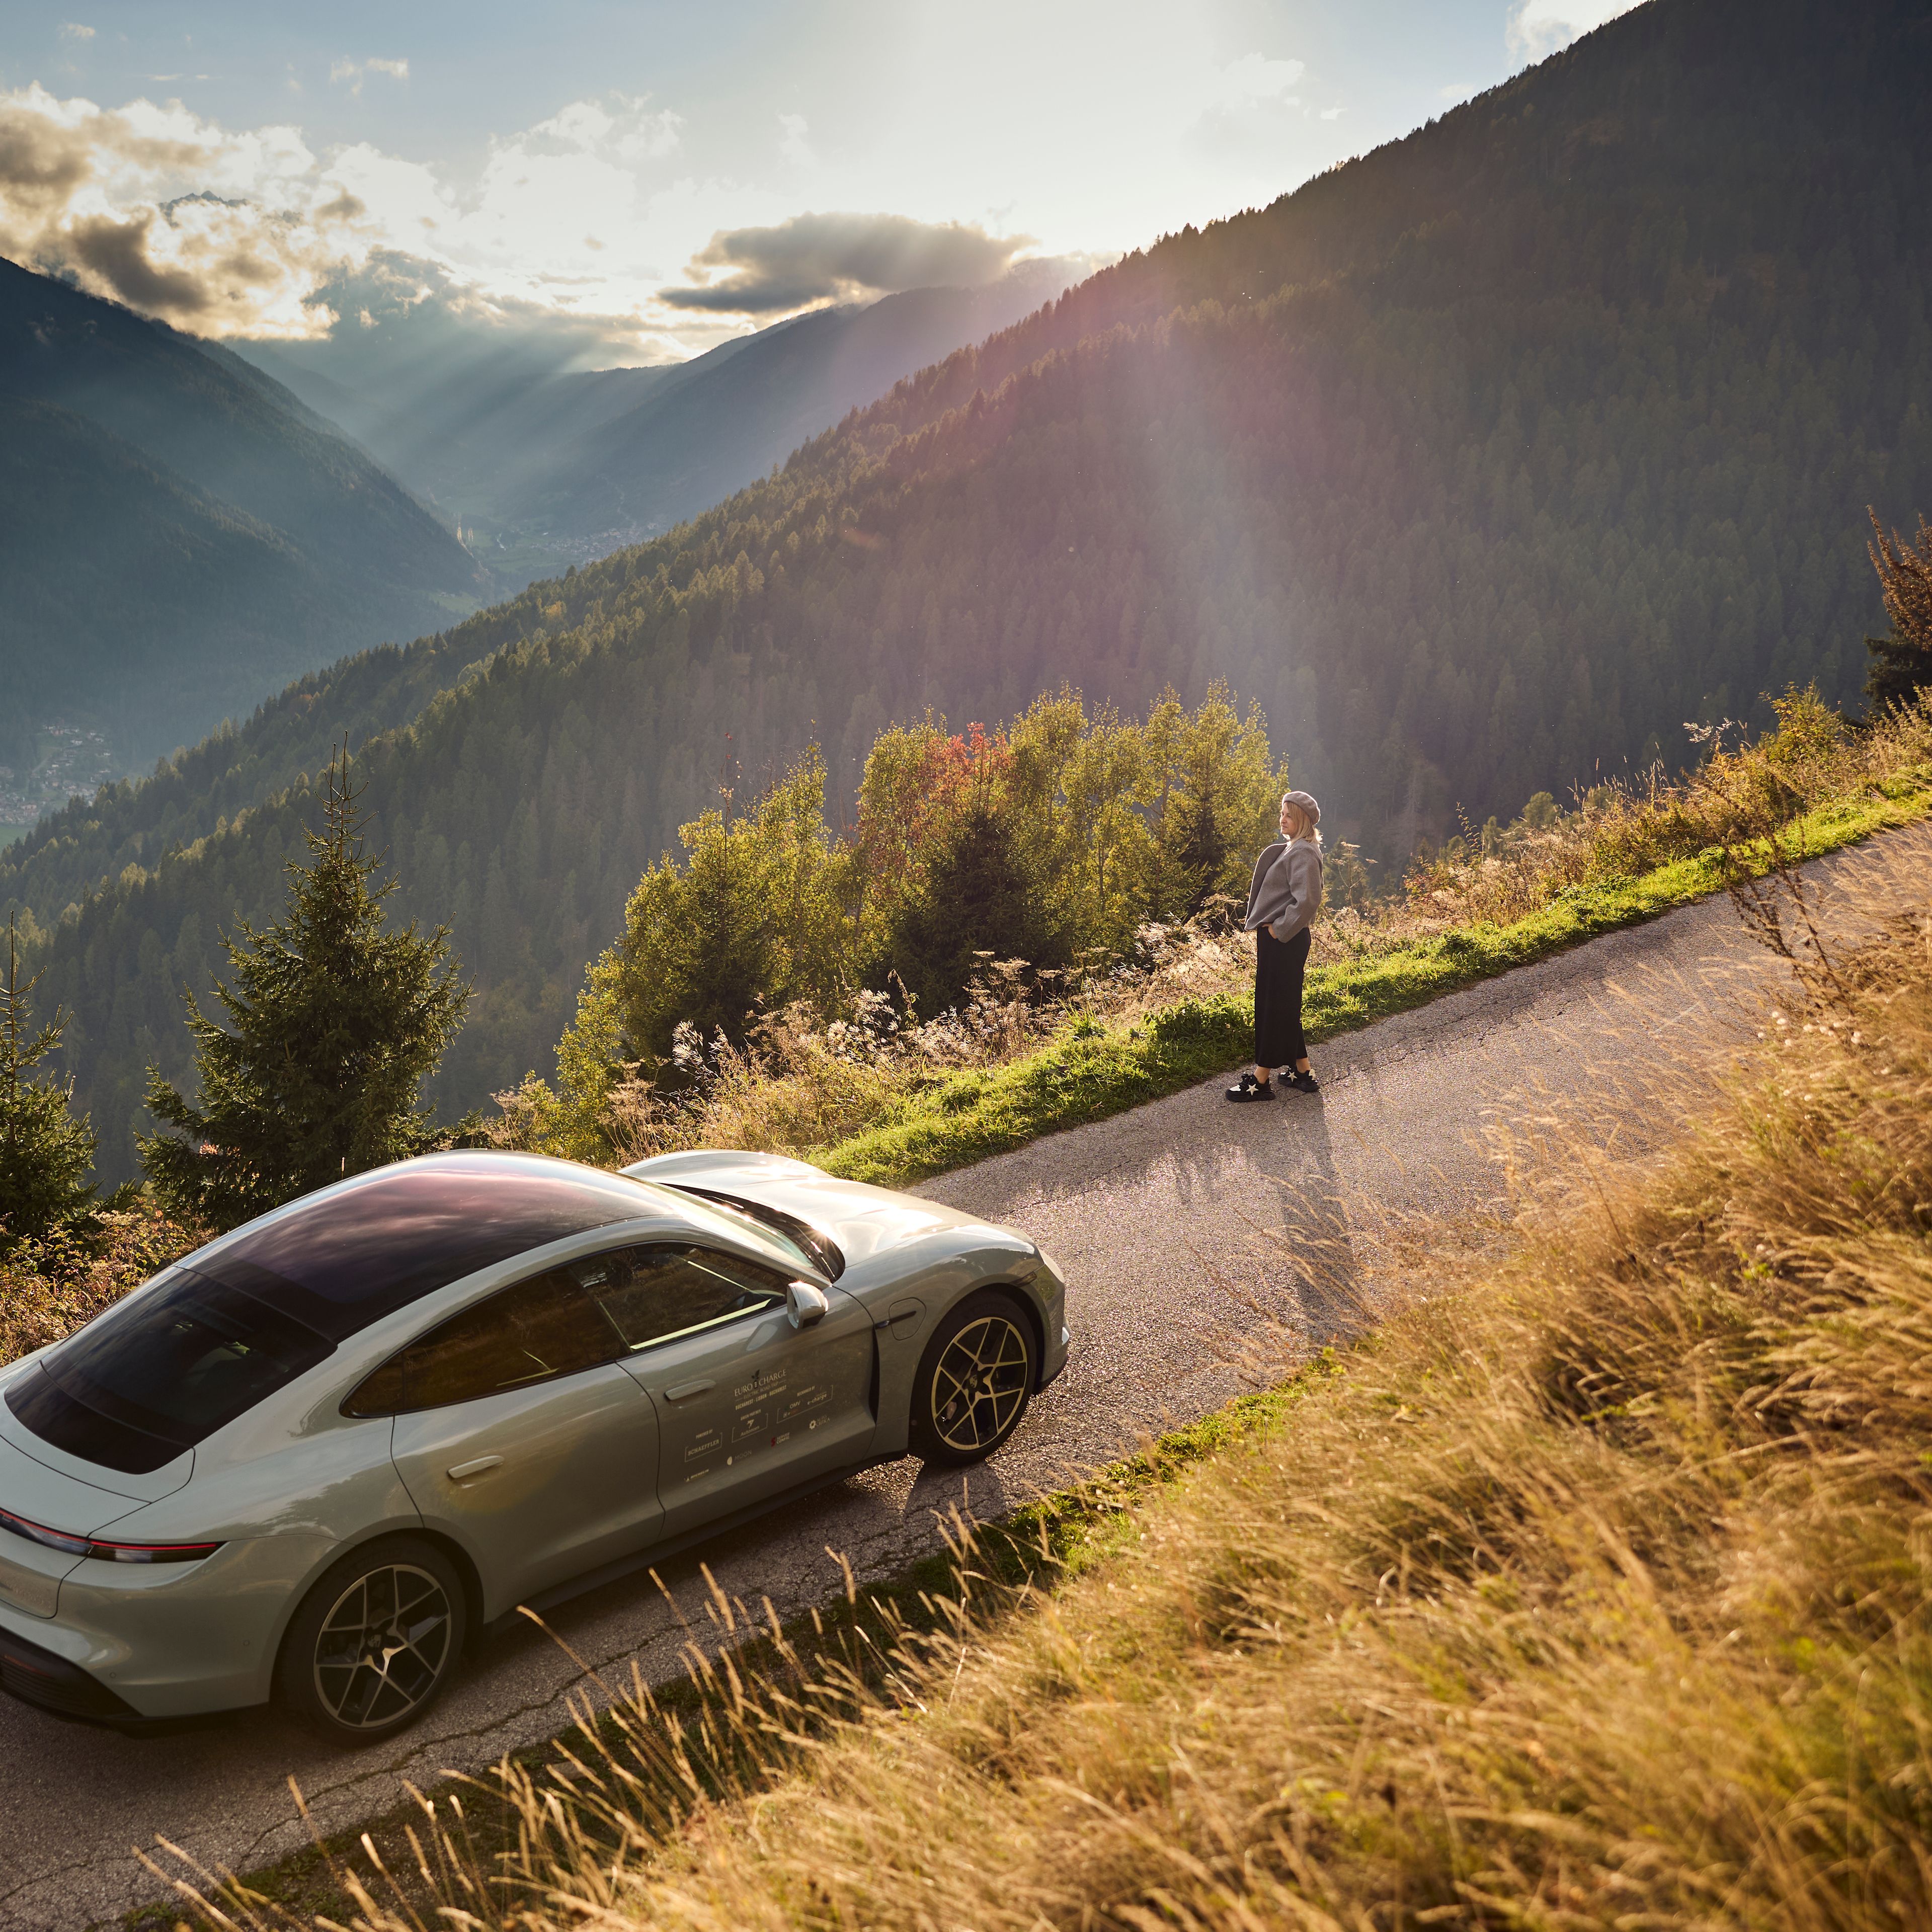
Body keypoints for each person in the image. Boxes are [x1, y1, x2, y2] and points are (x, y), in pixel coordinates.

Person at [1227, 789, 1323, 1101]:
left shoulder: (1304, 853)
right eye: (1282, 813)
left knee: (1273, 1006)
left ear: (1303, 820)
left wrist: (1278, 931)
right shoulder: (1292, 848)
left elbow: (1307, 902)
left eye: (1289, 815)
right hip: (1280, 940)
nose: (1283, 819)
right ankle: (1303, 1072)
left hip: (1286, 940)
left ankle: (1261, 1080)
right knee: (1282, 1003)